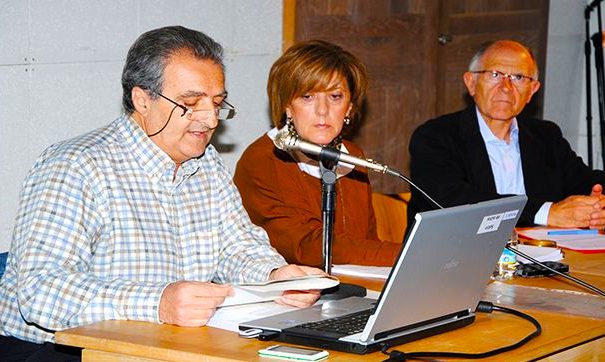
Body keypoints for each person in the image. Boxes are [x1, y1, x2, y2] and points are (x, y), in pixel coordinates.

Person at [0, 26, 322, 361]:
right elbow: (41, 292)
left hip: (159, 346)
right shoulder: (76, 166)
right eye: (190, 103)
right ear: (142, 99)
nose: (210, 119)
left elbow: (236, 248)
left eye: (216, 103)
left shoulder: (206, 165)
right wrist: (158, 303)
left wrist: (274, 276)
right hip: (52, 349)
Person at [233, 40, 401, 267]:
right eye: (307, 96)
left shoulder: (353, 155)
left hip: (354, 290)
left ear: (349, 107)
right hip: (289, 296)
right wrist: (407, 255)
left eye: (335, 97)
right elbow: (307, 248)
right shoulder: (263, 159)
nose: (323, 111)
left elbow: (368, 242)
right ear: (288, 107)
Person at [408, 39, 605, 229]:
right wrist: (547, 212)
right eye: (495, 74)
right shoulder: (435, 137)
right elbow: (454, 201)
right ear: (471, 83)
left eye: (518, 78)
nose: (506, 87)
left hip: (541, 254)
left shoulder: (546, 136)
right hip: (457, 255)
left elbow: (584, 181)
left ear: (531, 91)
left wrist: (597, 206)